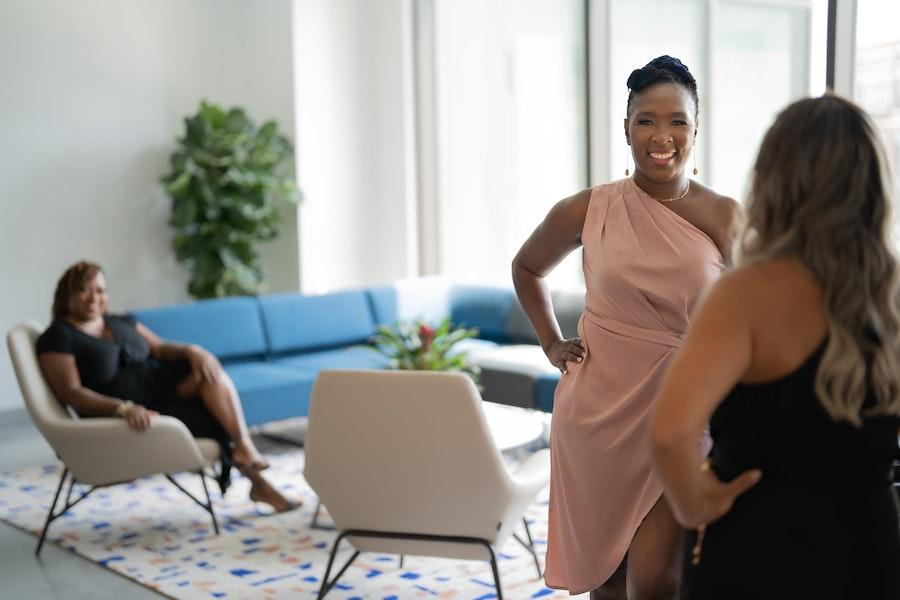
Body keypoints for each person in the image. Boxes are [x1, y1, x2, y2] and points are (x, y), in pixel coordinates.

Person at [650, 94, 900, 599]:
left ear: (773, 179)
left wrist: (694, 506)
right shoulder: (891, 293)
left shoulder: (744, 294)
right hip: (870, 548)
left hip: (759, 551)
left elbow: (670, 433)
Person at [512, 56, 742, 599]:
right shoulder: (587, 209)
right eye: (646, 120)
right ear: (626, 128)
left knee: (658, 579)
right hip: (595, 414)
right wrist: (550, 340)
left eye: (677, 121)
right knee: (607, 579)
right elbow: (527, 268)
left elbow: (759, 311)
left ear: (695, 129)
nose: (662, 136)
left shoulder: (725, 215)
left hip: (683, 412)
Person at [36, 260, 299, 513]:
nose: (94, 297)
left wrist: (194, 350)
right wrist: (123, 408)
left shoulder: (120, 321)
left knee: (208, 369)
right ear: (67, 295)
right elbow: (70, 392)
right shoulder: (59, 337)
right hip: (138, 411)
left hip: (164, 387)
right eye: (84, 290)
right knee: (216, 417)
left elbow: (160, 348)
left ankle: (244, 447)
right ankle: (259, 481)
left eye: (100, 290)